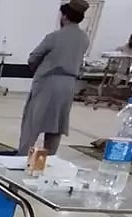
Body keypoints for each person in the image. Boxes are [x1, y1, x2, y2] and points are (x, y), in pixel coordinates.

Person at [18, 0, 91, 155]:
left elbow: (33, 58)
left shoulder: (54, 36)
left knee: (33, 122)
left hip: (49, 82)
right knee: (56, 124)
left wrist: (38, 70)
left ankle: (22, 156)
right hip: (69, 85)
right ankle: (48, 159)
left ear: (64, 17)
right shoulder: (84, 39)